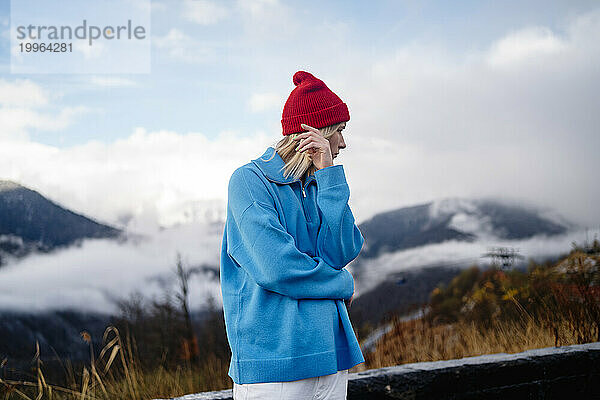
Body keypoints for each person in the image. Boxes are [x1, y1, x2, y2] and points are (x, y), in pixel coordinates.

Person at [220, 70, 365, 400]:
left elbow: (343, 250)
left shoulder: (320, 183)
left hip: (332, 359)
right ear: (314, 132)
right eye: (338, 131)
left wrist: (330, 177)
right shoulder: (248, 181)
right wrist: (342, 283)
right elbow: (276, 267)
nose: (343, 142)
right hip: (274, 367)